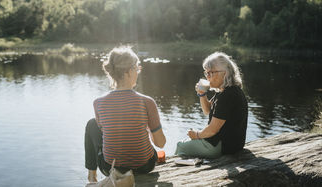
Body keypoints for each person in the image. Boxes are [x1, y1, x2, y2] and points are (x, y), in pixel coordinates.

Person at [84, 46, 166, 183]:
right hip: (144, 166)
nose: (138, 71)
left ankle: (92, 177)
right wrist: (147, 129)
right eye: (137, 68)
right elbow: (161, 143)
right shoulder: (147, 102)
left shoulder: (98, 103)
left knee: (92, 124)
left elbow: (107, 134)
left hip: (110, 167)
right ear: (129, 71)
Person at [175, 52, 248, 159]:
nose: (208, 77)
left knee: (181, 146)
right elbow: (208, 111)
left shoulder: (228, 95)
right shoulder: (225, 91)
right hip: (231, 145)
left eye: (211, 73)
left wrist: (197, 135)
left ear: (225, 73)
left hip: (223, 146)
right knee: (187, 142)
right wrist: (202, 94)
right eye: (206, 73)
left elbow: (213, 130)